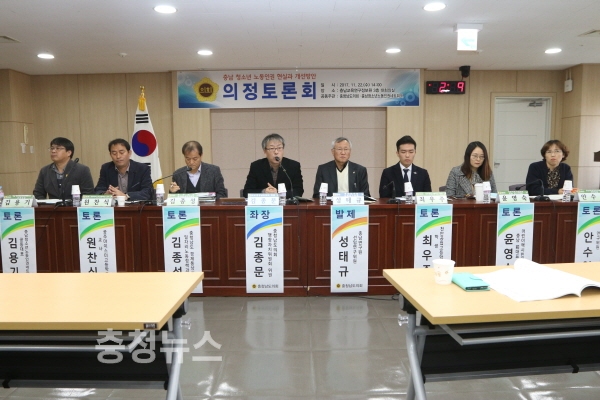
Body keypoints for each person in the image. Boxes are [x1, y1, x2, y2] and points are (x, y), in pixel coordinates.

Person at [243, 133, 304, 198]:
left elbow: (298, 191)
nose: (276, 152)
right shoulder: (256, 166)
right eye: (272, 148)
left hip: (286, 203)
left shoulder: (293, 166)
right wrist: (264, 192)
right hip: (264, 203)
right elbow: (247, 192)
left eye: (279, 148)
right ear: (265, 151)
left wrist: (278, 193)